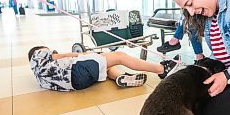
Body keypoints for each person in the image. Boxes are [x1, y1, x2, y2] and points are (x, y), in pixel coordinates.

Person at [28, 47, 180, 91]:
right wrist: (81, 54)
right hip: (77, 69)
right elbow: (61, 55)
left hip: (77, 84)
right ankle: (162, 69)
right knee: (119, 56)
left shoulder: (39, 77)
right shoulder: (37, 54)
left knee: (106, 65)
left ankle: (119, 77)